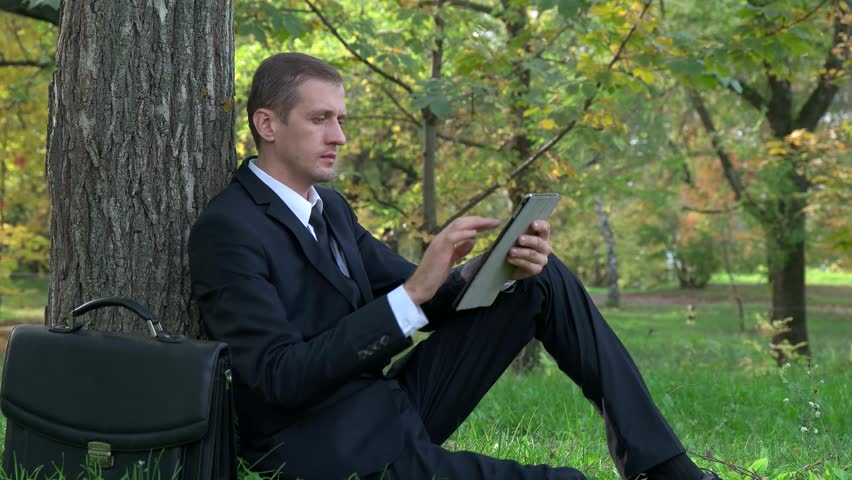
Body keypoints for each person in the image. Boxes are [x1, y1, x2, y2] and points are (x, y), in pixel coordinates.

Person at [188, 52, 721, 480]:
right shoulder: (229, 229)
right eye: (320, 119)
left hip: (390, 405)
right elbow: (276, 379)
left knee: (539, 279)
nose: (340, 137)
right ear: (268, 124)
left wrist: (481, 270)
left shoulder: (330, 209)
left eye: (342, 120)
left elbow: (417, 292)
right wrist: (413, 296)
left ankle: (664, 467)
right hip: (321, 447)